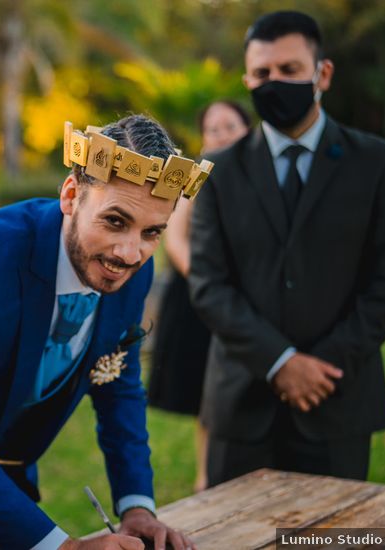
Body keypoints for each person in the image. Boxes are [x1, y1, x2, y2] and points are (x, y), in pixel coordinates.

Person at [0, 115, 205, 550]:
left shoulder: (132, 274)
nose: (130, 253)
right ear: (71, 195)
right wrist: (66, 548)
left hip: (12, 488)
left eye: (152, 233)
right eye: (114, 221)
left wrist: (136, 506)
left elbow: (118, 389)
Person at [189, 11, 385, 488]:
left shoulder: (380, 164)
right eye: (262, 73)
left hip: (337, 400)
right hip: (241, 407)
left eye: (288, 70)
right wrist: (280, 362)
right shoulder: (217, 172)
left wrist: (318, 368)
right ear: (246, 78)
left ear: (321, 74)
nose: (273, 82)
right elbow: (208, 284)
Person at [147, 100, 250, 492]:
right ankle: (207, 478)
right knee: (207, 393)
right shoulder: (195, 182)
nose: (222, 134)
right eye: (214, 128)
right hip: (199, 301)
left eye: (230, 126)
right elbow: (176, 243)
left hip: (247, 302)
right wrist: (213, 287)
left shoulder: (261, 179)